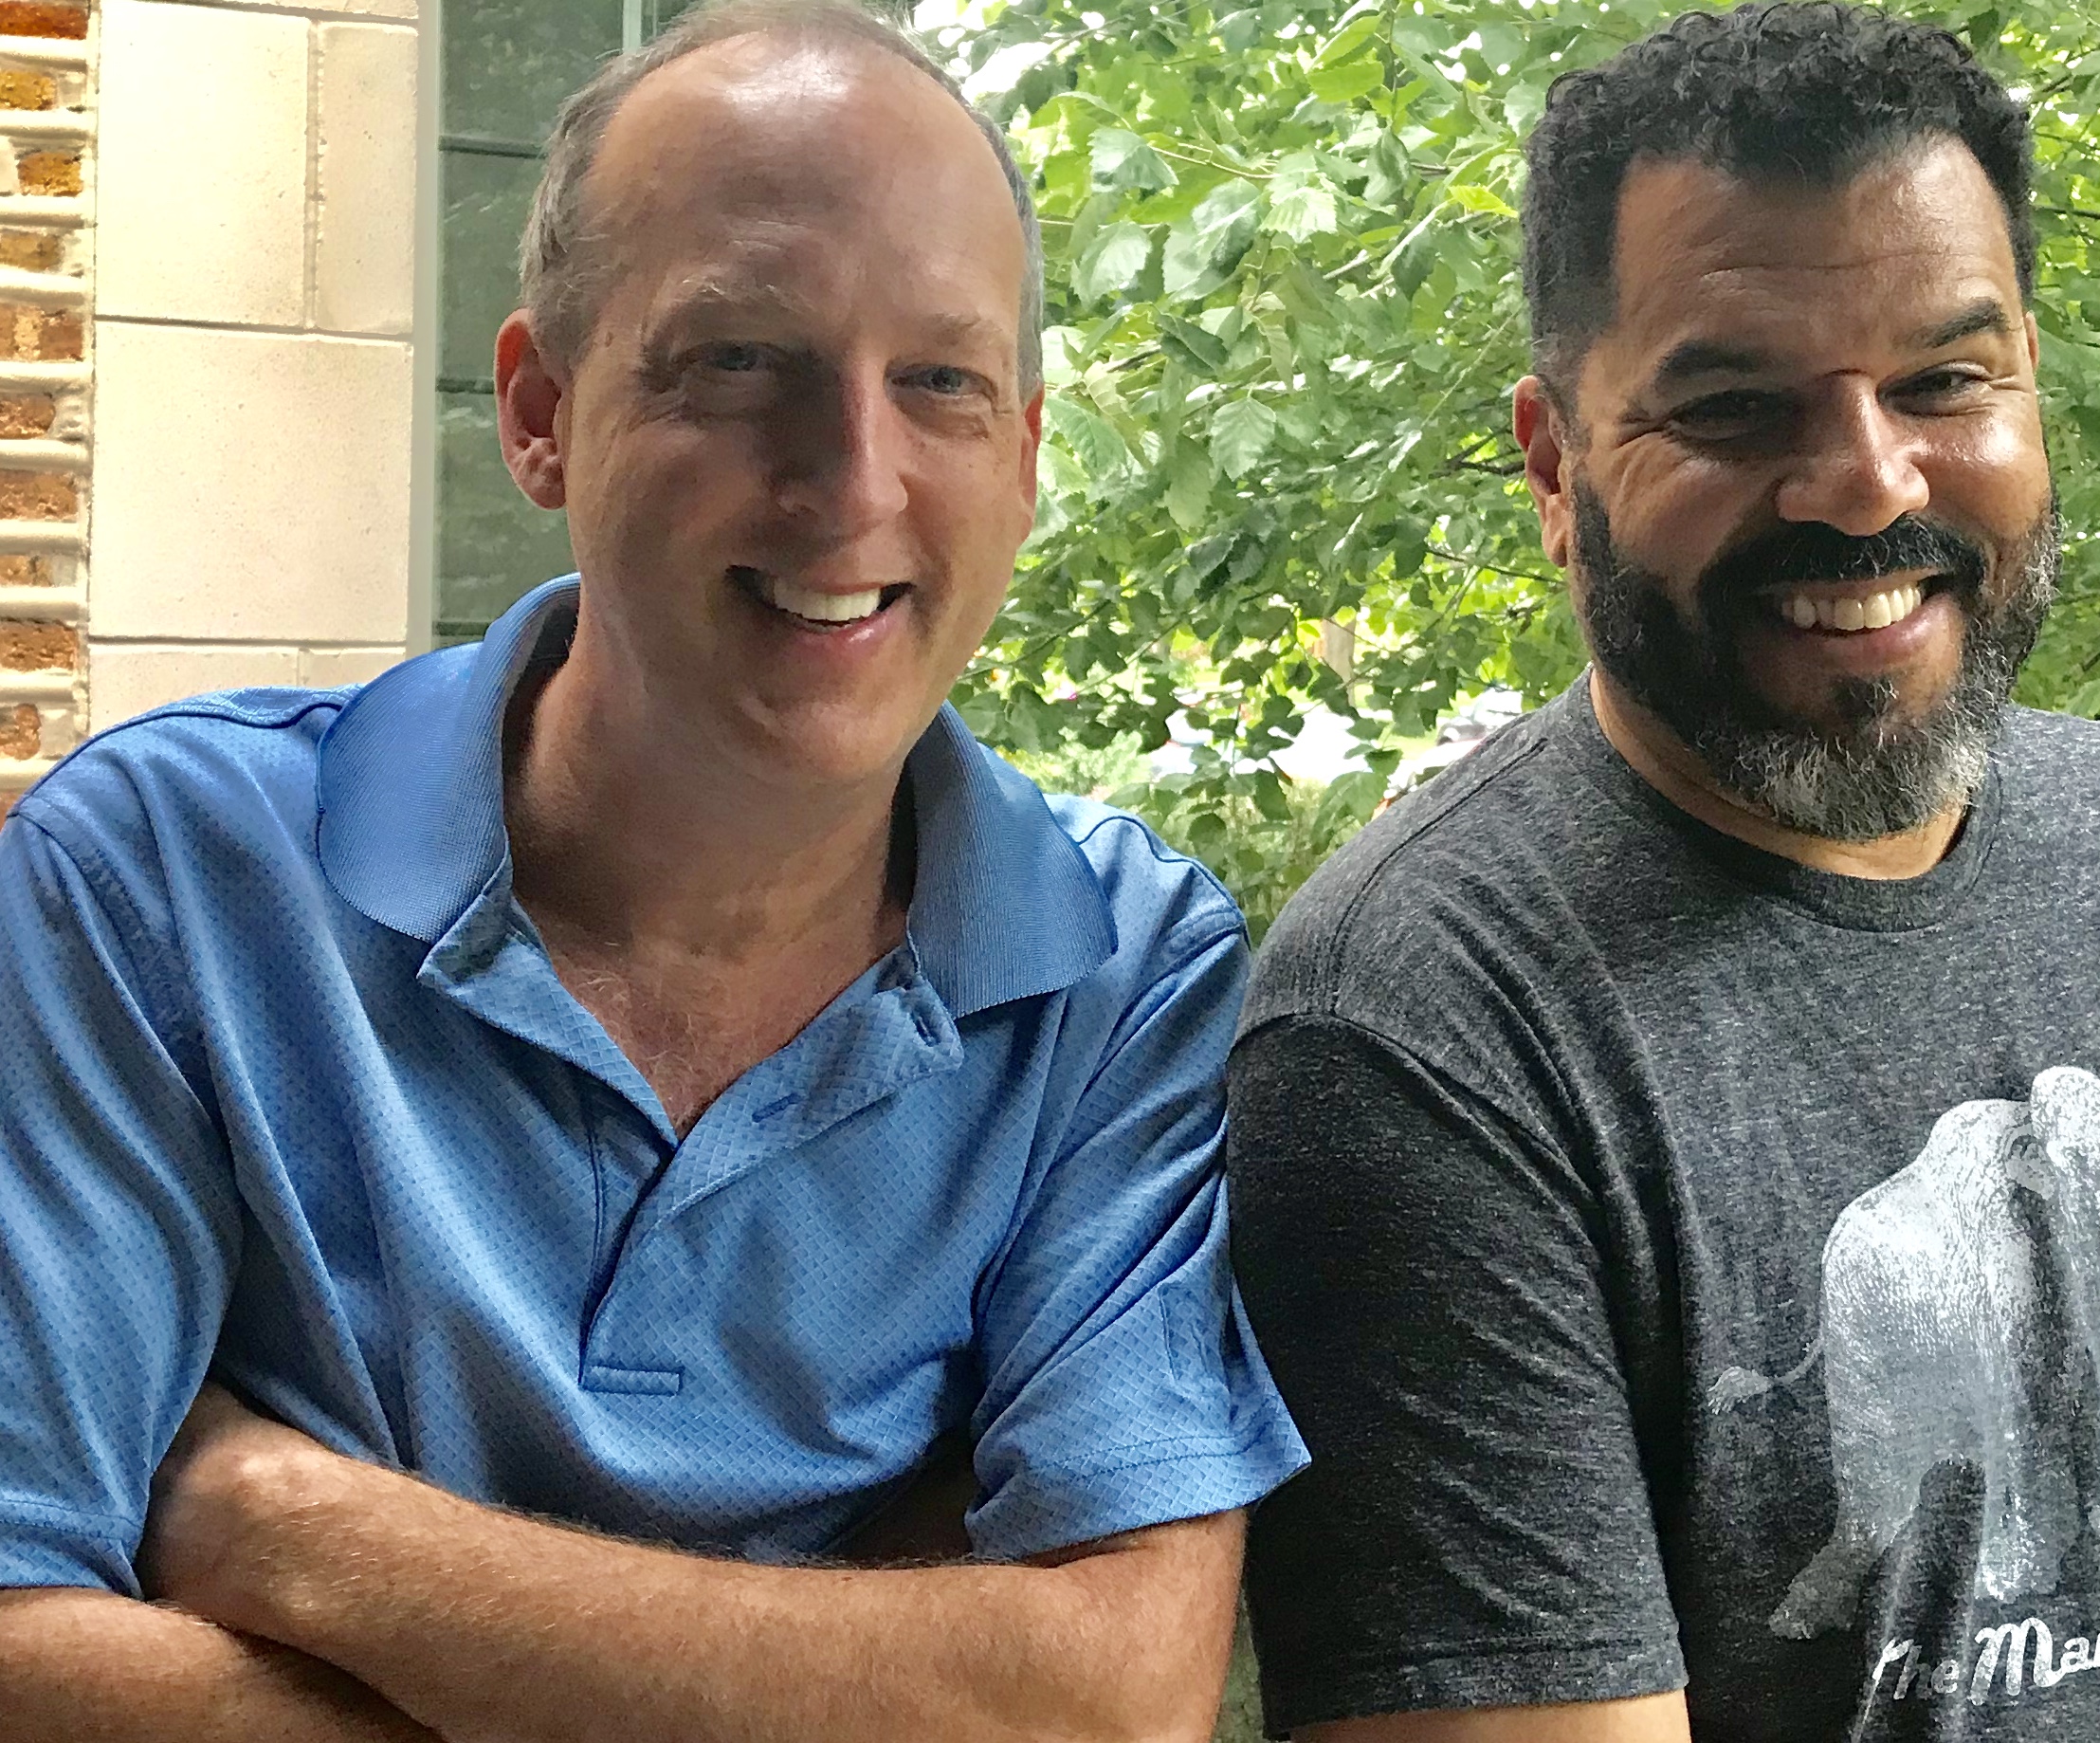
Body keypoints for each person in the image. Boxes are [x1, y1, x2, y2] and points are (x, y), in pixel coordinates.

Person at [0, 3, 1306, 1735]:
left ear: (1026, 455)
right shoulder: (160, 876)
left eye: (941, 381)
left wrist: (293, 1527)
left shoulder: (1123, 967)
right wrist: (875, 1667)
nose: (852, 482)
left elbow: (1108, 1698)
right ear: (540, 413)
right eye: (739, 360)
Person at [1225, 5, 2100, 1739]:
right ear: (1556, 469)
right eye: (1734, 408)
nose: (1867, 485)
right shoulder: (1420, 1034)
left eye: (1945, 383)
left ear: (2031, 384)